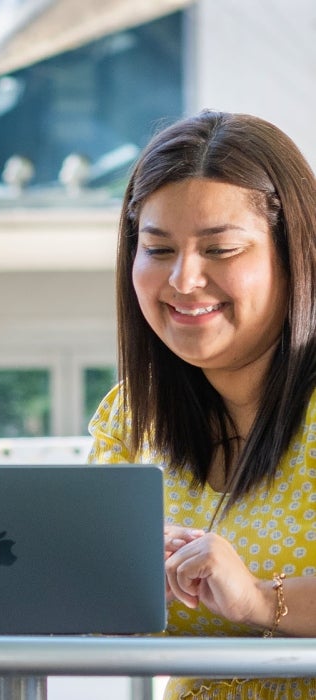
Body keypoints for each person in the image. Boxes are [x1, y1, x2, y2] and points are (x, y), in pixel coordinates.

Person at [87, 110, 316, 698]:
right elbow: (88, 602)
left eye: (221, 249)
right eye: (158, 250)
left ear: (295, 257)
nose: (184, 280)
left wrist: (262, 599)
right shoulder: (132, 418)